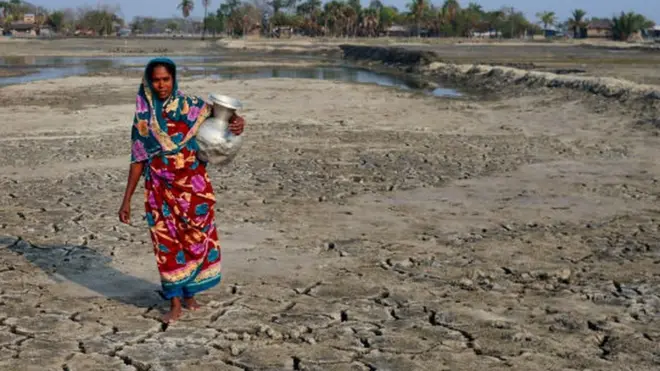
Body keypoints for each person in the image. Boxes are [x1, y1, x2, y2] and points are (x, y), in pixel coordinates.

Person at [118, 57, 245, 324]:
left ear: (174, 80)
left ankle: (190, 293)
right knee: (167, 245)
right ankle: (175, 301)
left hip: (194, 188)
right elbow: (138, 158)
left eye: (166, 79)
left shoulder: (193, 107)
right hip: (159, 190)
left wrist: (238, 122)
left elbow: (226, 117)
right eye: (156, 80)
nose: (161, 85)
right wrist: (126, 199)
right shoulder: (144, 118)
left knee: (196, 239)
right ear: (148, 82)